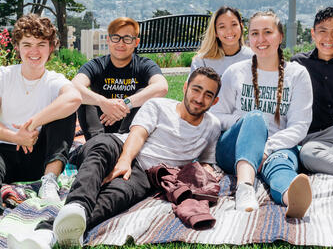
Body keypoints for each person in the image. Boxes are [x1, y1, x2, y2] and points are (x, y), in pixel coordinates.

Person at [8, 67, 222, 249]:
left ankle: (45, 236)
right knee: (100, 149)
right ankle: (77, 206)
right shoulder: (159, 106)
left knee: (117, 196)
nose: (199, 98)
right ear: (185, 87)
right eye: (196, 89)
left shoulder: (212, 125)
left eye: (208, 95)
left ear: (215, 100)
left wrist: (206, 173)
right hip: (121, 146)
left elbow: (206, 161)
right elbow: (138, 134)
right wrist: (124, 162)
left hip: (147, 173)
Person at [212, 10, 313, 218]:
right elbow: (216, 115)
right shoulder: (236, 71)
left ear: (280, 36)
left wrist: (265, 149)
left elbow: (299, 126)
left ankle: (290, 196)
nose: (261, 39)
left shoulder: (297, 74)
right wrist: (247, 123)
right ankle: (244, 189)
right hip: (233, 148)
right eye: (255, 33)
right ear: (248, 38)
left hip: (277, 147)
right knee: (256, 117)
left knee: (281, 164)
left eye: (268, 32)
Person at [0, 14, 81, 206]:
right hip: (4, 153)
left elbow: (75, 97)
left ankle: (49, 182)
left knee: (65, 109)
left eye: (41, 44)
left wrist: (34, 122)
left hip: (40, 159)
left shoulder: (54, 80)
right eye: (27, 44)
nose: (34, 51)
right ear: (17, 47)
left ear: (50, 47)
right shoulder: (4, 76)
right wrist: (17, 137)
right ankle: (8, 196)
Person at [72, 17, 168, 140]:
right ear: (108, 40)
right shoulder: (96, 65)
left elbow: (162, 87)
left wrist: (126, 104)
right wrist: (103, 102)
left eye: (127, 39)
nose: (121, 44)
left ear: (136, 42)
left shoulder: (144, 64)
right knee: (84, 98)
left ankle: (123, 143)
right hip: (99, 128)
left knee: (144, 93)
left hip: (131, 131)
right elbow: (74, 86)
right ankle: (96, 144)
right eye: (116, 38)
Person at [291, 7, 333, 176]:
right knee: (307, 155)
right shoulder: (298, 64)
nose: (328, 38)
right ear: (313, 33)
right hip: (320, 140)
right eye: (322, 31)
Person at [190, 6, 252, 76]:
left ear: (241, 27)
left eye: (234, 24)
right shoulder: (202, 61)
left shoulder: (253, 57)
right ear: (215, 32)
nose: (229, 31)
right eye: (222, 27)